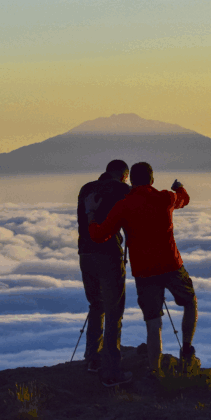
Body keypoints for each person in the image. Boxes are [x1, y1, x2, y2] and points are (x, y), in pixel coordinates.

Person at [89, 161, 198, 379]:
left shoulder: (123, 206)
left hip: (144, 272)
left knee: (152, 320)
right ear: (152, 180)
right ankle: (187, 350)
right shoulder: (166, 198)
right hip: (171, 265)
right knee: (190, 302)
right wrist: (179, 187)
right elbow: (183, 199)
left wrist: (91, 214)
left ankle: (154, 369)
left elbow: (100, 235)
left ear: (131, 181)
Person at [77, 159, 133, 387]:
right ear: (124, 175)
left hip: (85, 254)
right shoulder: (123, 190)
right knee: (113, 312)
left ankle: (93, 359)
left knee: (96, 305)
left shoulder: (86, 188)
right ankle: (111, 372)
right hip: (108, 255)